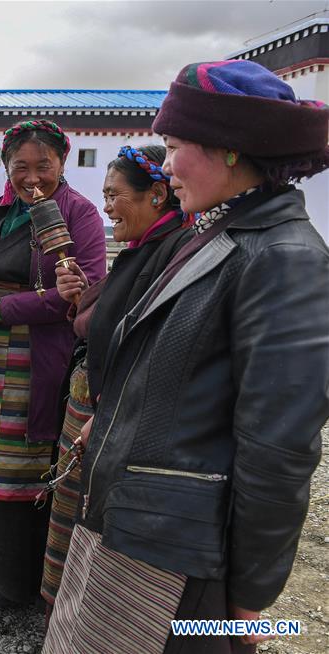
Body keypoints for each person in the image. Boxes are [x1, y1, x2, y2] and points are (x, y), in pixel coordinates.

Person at [44, 60, 329, 654]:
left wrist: (249, 607)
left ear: (228, 148)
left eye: (174, 146)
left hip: (184, 557)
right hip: (131, 524)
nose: (166, 164)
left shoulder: (283, 259)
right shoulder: (213, 234)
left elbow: (279, 449)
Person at [0, 119, 106, 609]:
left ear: (63, 163)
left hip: (33, 358)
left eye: (43, 167)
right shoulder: (1, 210)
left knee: (16, 465)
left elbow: (84, 294)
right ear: (6, 168)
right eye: (19, 167)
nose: (31, 177)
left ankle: (11, 578)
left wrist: (1, 310)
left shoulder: (80, 214)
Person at [40, 145, 191, 616]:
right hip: (96, 404)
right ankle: (64, 616)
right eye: (103, 195)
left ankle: (86, 621)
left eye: (114, 195)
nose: (105, 207)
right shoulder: (142, 251)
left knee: (93, 517)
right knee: (75, 509)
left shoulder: (172, 256)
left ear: (158, 194)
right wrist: (82, 298)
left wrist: (107, 412)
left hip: (112, 412)